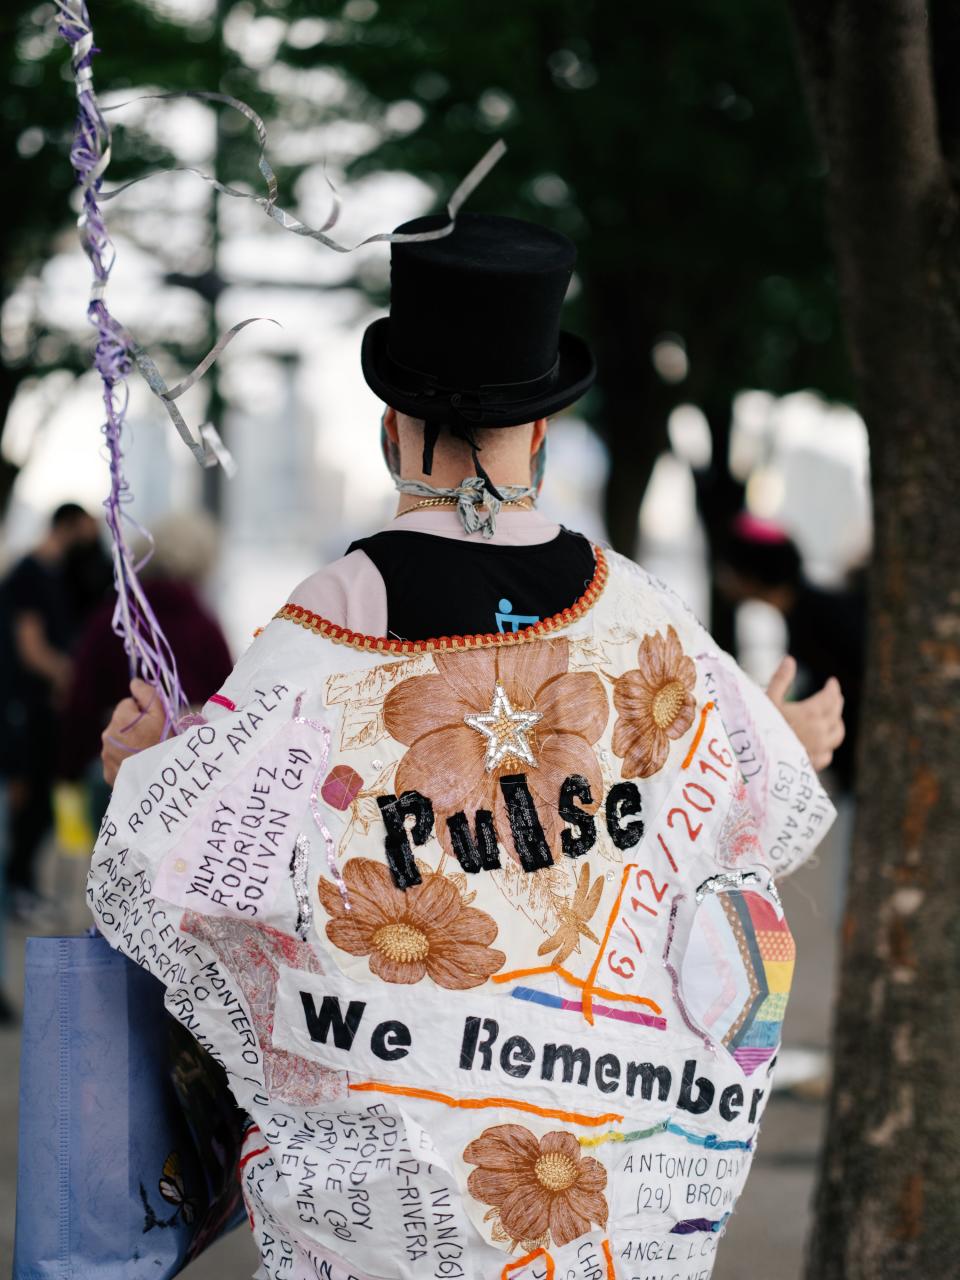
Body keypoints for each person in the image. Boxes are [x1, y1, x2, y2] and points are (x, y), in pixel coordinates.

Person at [93, 214, 843, 1279]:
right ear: (540, 433)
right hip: (602, 1192)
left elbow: (186, 864)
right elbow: (743, 787)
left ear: (390, 425)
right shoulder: (641, 611)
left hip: (398, 1207)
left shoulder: (330, 621)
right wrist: (795, 730)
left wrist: (144, 769)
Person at [0, 502, 101, 914]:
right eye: (88, 530)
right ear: (69, 526)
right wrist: (70, 678)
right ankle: (16, 885)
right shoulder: (30, 574)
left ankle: (22, 884)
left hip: (43, 706)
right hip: (28, 707)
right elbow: (31, 647)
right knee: (31, 793)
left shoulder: (58, 576)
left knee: (44, 794)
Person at [716, 511, 860, 791]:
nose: (723, 580)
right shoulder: (801, 615)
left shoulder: (823, 620)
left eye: (729, 570)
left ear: (751, 576)